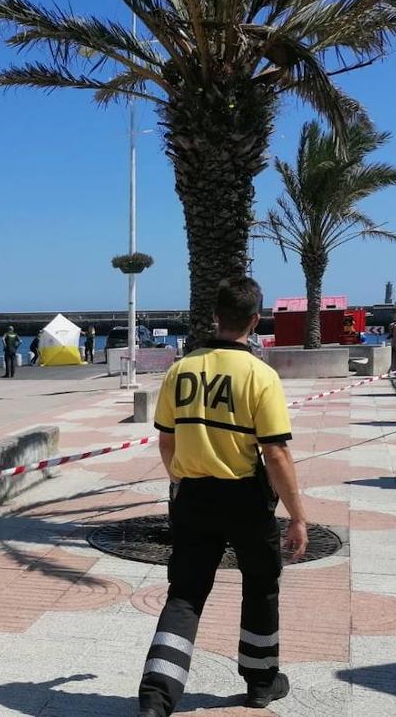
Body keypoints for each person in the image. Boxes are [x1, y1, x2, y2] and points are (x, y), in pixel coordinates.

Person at [137, 277, 307, 716]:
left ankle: (156, 699)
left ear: (216, 315)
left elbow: (167, 442)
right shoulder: (260, 376)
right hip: (246, 499)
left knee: (186, 594)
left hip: (192, 496)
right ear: (256, 319)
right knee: (261, 586)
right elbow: (276, 452)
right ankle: (261, 682)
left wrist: (181, 484)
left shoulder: (182, 369)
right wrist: (298, 517)